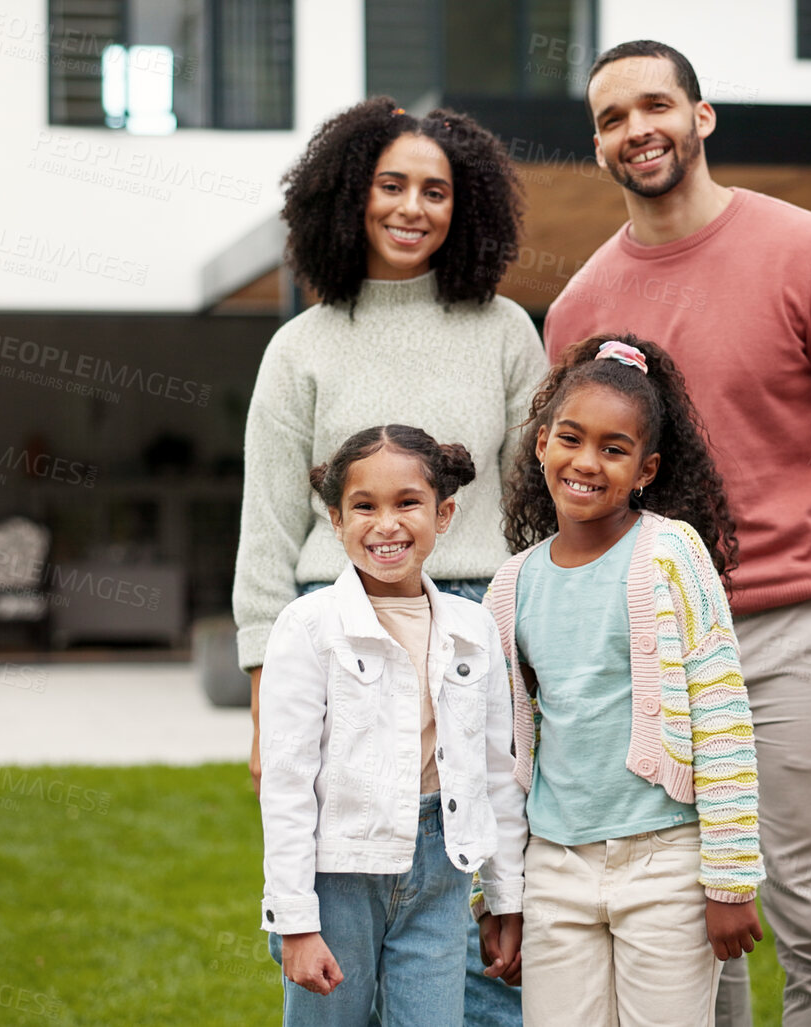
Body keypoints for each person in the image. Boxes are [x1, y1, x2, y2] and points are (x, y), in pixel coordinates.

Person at [541, 41, 811, 1027]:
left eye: (655, 106)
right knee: (687, 933)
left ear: (702, 116)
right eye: (612, 118)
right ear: (597, 144)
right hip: (655, 651)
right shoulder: (580, 309)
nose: (637, 130)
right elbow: (580, 496)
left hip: (798, 632)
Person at [236, 96, 546, 1023]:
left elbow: (532, 504)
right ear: (349, 196)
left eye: (436, 191)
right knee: (344, 878)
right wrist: (261, 704)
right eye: (391, 185)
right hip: (335, 624)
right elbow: (265, 522)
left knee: (465, 871)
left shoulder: (504, 331)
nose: (412, 207)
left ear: (467, 208)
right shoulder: (301, 346)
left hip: (473, 618)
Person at [480, 334, 763, 1026]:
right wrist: (499, 895)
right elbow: (499, 755)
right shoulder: (510, 586)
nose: (586, 462)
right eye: (571, 439)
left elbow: (722, 715)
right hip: (555, 867)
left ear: (645, 469)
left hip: (663, 860)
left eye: (614, 448)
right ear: (541, 442)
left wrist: (728, 878)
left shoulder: (670, 554)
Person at [259, 425, 528, 1027]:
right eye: (364, 506)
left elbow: (494, 773)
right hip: (339, 876)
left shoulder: (472, 626)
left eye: (408, 503)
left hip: (440, 871)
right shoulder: (308, 626)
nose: (387, 524)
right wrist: (297, 921)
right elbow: (287, 783)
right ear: (335, 519)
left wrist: (504, 899)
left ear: (446, 513)